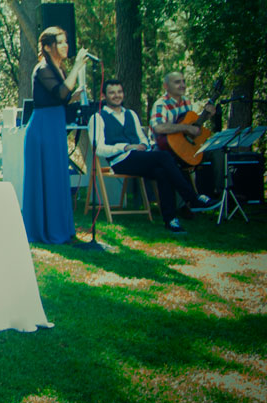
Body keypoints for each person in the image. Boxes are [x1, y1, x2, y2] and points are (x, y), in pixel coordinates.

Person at [89, 79, 219, 234]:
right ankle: (193, 198)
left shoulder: (131, 114)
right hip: (120, 161)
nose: (117, 95)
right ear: (104, 96)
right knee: (164, 157)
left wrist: (144, 145)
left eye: (119, 92)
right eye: (112, 93)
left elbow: (142, 138)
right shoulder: (97, 117)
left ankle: (171, 221)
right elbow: (99, 149)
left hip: (140, 157)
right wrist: (125, 147)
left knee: (162, 171)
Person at [22, 26, 88, 244]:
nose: (65, 45)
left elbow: (60, 99)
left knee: (58, 177)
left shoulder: (58, 69)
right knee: (47, 177)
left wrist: (73, 97)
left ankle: (61, 229)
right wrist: (77, 66)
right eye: (60, 42)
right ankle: (46, 230)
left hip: (55, 126)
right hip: (42, 129)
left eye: (65, 41)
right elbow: (59, 93)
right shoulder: (42, 69)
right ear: (48, 47)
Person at [150, 71, 217, 151]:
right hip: (163, 148)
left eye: (183, 82)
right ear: (166, 86)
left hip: (183, 146)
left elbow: (191, 124)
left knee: (216, 150)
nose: (183, 85)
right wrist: (186, 128)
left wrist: (207, 115)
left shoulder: (187, 101)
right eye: (177, 82)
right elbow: (158, 128)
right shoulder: (161, 104)